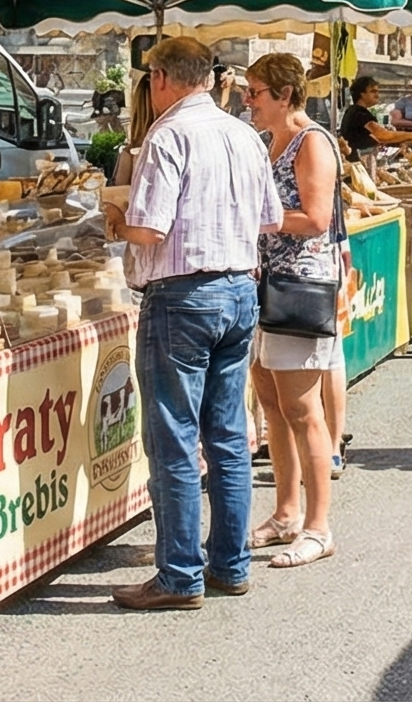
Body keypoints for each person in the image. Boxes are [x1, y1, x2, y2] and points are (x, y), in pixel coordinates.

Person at [111, 37, 285, 611]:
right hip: (238, 289)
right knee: (229, 437)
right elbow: (271, 219)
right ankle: (230, 564)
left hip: (183, 296)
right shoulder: (244, 134)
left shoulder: (168, 135)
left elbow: (149, 229)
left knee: (175, 440)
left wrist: (114, 216)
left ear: (161, 77)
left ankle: (180, 575)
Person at [241, 54, 341, 569]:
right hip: (267, 283)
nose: (248, 101)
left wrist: (259, 220)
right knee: (271, 402)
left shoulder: (312, 142)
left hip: (299, 286)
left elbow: (317, 218)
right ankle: (285, 512)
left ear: (284, 94)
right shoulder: (271, 141)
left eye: (255, 92)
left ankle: (319, 526)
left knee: (303, 410)